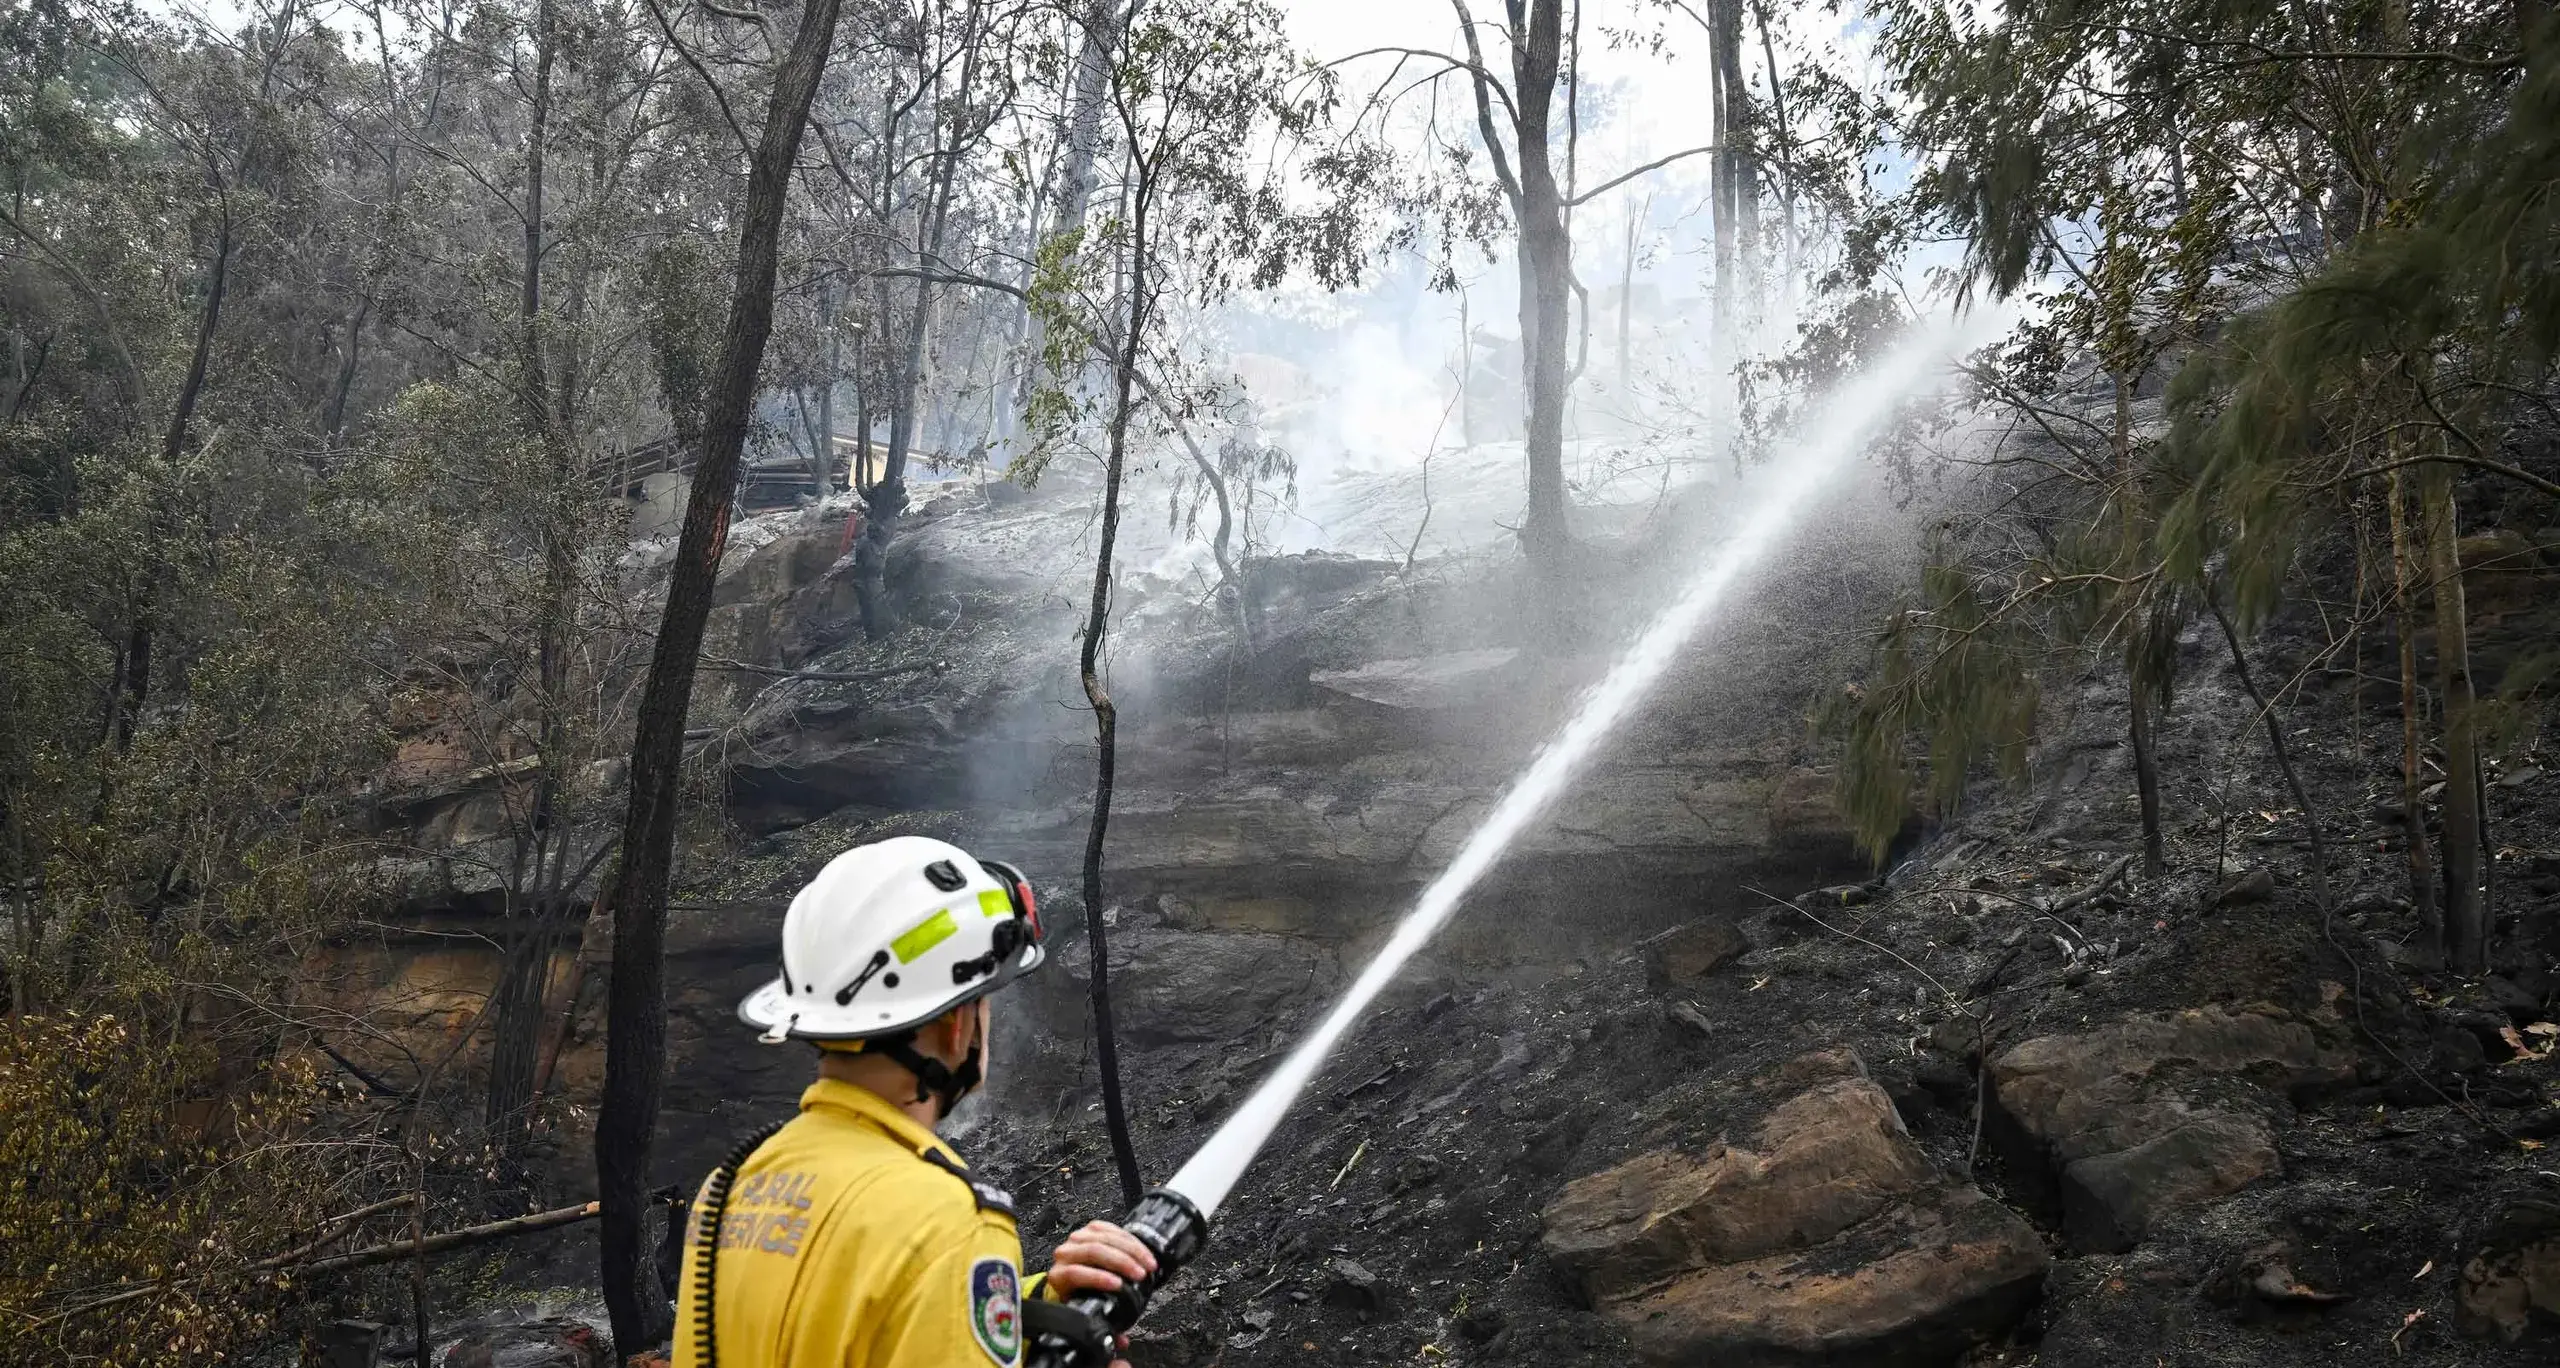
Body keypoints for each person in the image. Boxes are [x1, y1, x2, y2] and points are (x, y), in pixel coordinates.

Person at [672, 835, 1154, 1368]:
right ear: (956, 1027)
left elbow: (852, 1322)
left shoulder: (733, 1186)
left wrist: (1038, 1304)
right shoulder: (950, 1224)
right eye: (983, 1003)